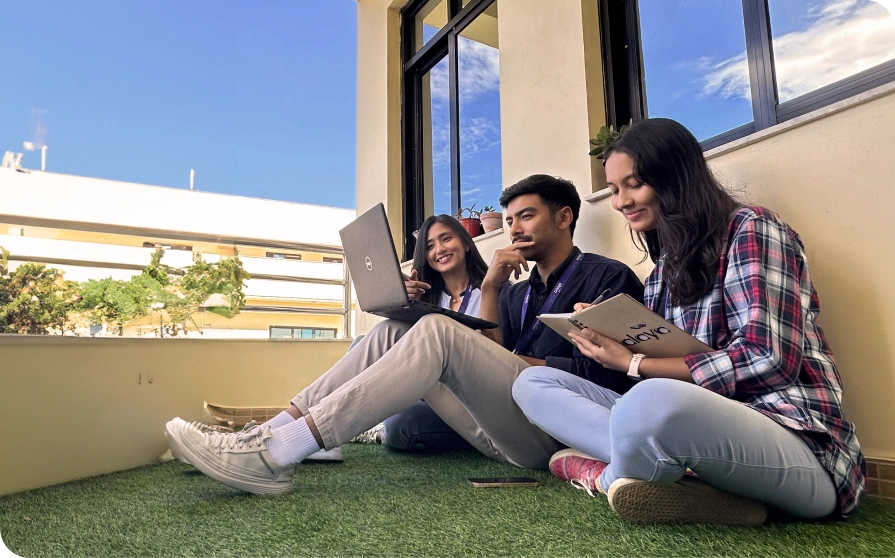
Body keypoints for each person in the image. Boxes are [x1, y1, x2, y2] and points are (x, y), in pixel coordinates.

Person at [164, 174, 644, 496]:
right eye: (510, 218)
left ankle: (277, 452)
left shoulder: (607, 276)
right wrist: (494, 288)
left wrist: (528, 360)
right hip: (505, 429)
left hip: (555, 434)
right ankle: (268, 436)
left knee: (435, 332)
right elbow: (496, 364)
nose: (514, 228)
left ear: (564, 217)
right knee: (396, 327)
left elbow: (619, 378)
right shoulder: (518, 294)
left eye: (527, 216)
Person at [512, 118, 866, 525]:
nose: (621, 201)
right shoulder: (663, 269)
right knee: (533, 383)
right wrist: (607, 332)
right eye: (613, 190)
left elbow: (768, 360)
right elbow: (663, 351)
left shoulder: (751, 228)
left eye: (635, 184)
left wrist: (633, 365)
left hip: (797, 443)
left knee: (650, 401)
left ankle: (605, 475)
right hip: (699, 434)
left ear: (675, 177)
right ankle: (699, 488)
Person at [355, 214, 490, 453]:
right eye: (430, 246)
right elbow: (400, 347)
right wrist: (402, 303)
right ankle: (323, 421)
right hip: (418, 387)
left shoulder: (491, 292)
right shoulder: (428, 298)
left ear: (466, 243)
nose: (440, 249)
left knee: (401, 425)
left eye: (446, 239)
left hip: (458, 400)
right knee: (360, 344)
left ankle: (376, 432)